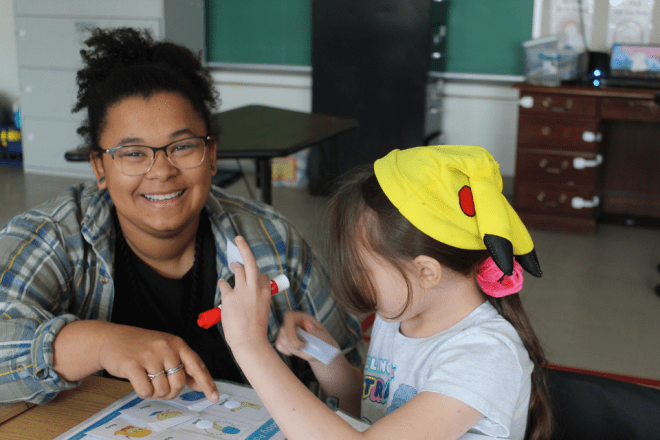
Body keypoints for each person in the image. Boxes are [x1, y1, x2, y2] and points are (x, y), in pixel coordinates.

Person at [0, 27, 361, 405]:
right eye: (133, 153)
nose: (161, 170)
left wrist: (325, 359)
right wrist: (100, 342)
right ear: (99, 168)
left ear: (213, 153)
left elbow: (357, 383)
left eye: (183, 146)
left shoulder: (272, 241)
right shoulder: (57, 236)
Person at [219, 145, 553, 440]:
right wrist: (326, 357)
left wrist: (249, 345)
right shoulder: (401, 315)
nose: (356, 280)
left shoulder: (486, 355)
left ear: (425, 272)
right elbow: (376, 409)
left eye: (364, 270)